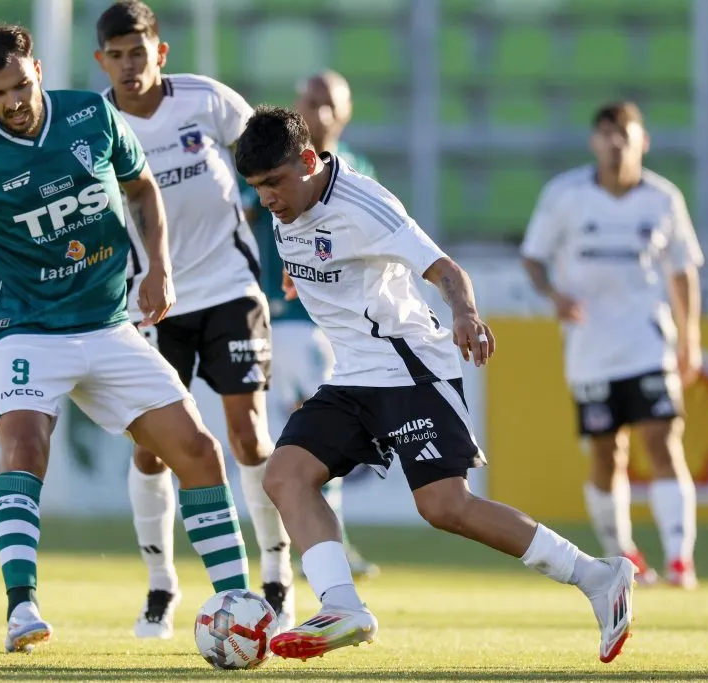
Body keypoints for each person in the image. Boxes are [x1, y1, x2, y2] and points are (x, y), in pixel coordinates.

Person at [235, 105, 636, 664]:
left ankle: (598, 576)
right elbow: (315, 254)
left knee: (445, 506)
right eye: (257, 189)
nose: (268, 199)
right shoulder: (289, 206)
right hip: (353, 377)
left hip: (411, 371)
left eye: (274, 183)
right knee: (285, 476)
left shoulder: (364, 205)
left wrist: (466, 315)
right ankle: (343, 606)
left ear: (308, 161)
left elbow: (447, 270)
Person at [0, 24, 251, 654]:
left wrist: (159, 268)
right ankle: (22, 608)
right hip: (25, 332)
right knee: (24, 446)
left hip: (108, 325)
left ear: (37, 70)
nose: (12, 103)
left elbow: (142, 185)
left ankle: (237, 600)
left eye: (19, 86)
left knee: (200, 452)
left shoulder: (92, 114)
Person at [93, 0, 294, 638]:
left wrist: (293, 243)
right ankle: (161, 587)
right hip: (151, 303)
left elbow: (273, 161)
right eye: (116, 55)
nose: (129, 65)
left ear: (161, 51)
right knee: (154, 452)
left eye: (138, 51)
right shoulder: (94, 124)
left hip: (231, 289)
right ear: (102, 60)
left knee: (248, 436)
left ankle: (276, 575)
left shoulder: (206, 101)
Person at [521, 101, 703, 589]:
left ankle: (680, 560)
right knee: (607, 453)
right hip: (590, 350)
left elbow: (683, 271)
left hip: (648, 343)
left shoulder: (663, 199)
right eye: (605, 132)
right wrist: (554, 295)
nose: (615, 141)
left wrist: (689, 337)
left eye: (624, 132)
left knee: (663, 442)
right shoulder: (566, 195)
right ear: (593, 141)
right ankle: (623, 554)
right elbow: (534, 257)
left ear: (643, 140)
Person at [246, 69, 381, 579]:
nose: (318, 111)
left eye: (327, 103)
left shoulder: (359, 169)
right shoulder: (274, 164)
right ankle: (320, 548)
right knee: (315, 433)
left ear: (344, 113)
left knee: (321, 437)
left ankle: (318, 545)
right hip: (287, 318)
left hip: (336, 323)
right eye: (309, 100)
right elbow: (243, 217)